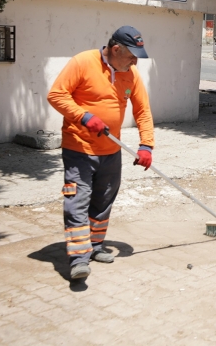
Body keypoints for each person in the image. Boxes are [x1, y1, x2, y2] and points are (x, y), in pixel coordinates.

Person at [47, 26, 155, 280]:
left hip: (111, 151)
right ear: (116, 49)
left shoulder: (131, 74)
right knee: (77, 202)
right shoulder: (83, 62)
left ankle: (95, 246)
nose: (135, 60)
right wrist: (83, 116)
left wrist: (146, 145)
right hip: (79, 149)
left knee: (103, 201)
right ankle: (79, 259)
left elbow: (143, 111)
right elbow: (56, 95)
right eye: (131, 55)